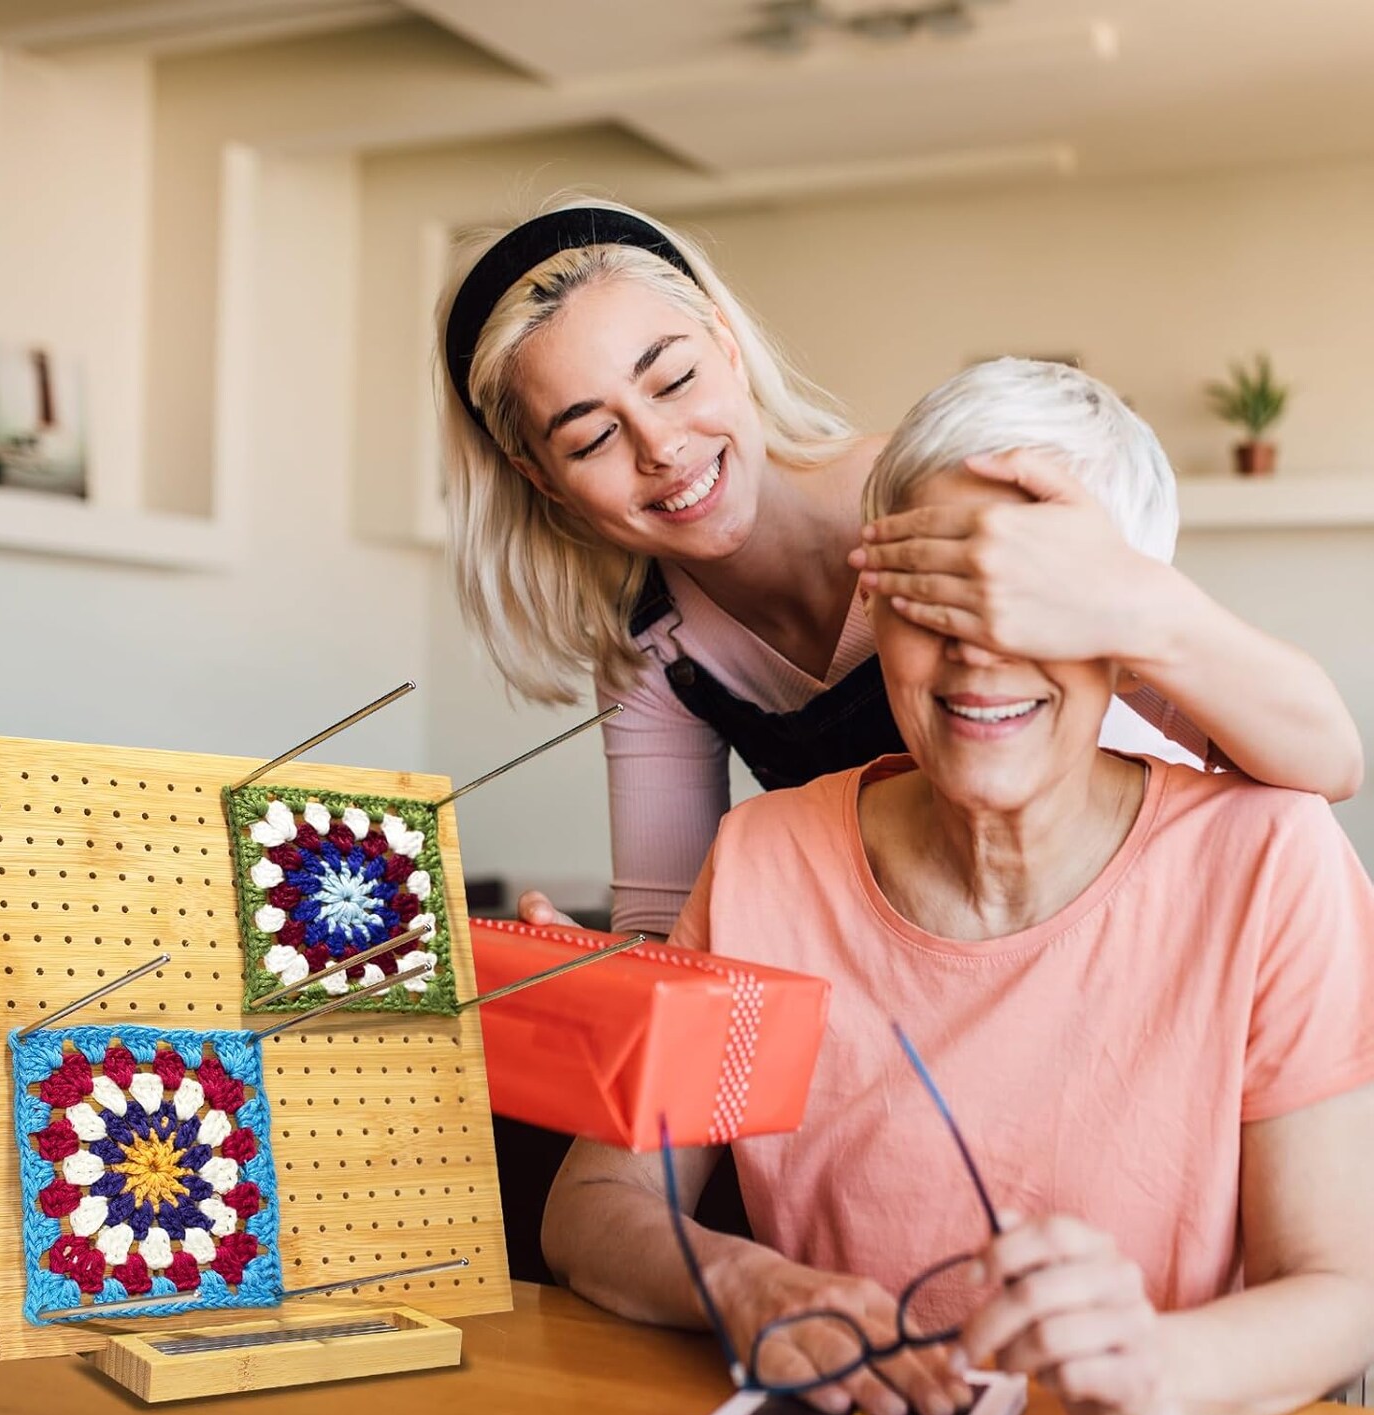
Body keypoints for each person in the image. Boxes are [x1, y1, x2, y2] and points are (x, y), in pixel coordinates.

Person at [540, 359, 1374, 1415]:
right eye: (935, 596)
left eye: (1032, 606)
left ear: (1127, 644)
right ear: (873, 610)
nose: (979, 651)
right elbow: (597, 1207)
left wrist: (1158, 1365)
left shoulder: (1269, 857)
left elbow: (1345, 1296)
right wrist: (741, 1282)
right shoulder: (763, 861)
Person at [438, 197, 1362, 938]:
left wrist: (1120, 596)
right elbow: (672, 926)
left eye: (674, 380)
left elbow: (1323, 759)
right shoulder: (656, 650)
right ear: (541, 479)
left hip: (1164, 914)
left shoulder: (942, 497)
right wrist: (599, 976)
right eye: (594, 436)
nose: (663, 448)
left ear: (725, 344)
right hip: (947, 954)